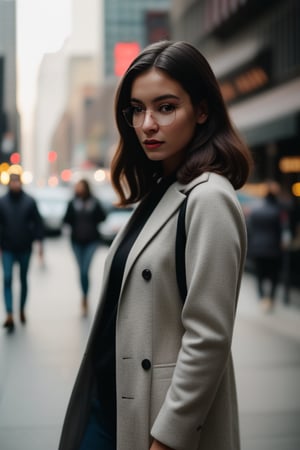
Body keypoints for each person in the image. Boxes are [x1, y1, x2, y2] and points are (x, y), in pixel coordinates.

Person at [59, 40, 253, 450]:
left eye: (166, 107)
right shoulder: (163, 190)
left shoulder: (208, 198)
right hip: (112, 403)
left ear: (202, 110)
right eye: (137, 109)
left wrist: (168, 438)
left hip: (156, 417)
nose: (147, 123)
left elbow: (208, 336)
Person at [0, 173, 44, 331]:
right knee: (7, 278)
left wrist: (40, 245)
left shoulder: (29, 201)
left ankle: (22, 309)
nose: (15, 185)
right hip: (7, 248)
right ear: (9, 184)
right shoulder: (2, 202)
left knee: (23, 279)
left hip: (25, 247)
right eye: (12, 182)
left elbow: (38, 223)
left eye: (17, 182)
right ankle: (10, 313)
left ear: (21, 183)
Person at [63, 178, 106, 316]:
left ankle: (85, 297)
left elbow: (103, 217)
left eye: (81, 187)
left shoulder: (94, 202)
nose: (78, 189)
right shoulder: (72, 203)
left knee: (85, 269)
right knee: (81, 270)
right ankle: (84, 295)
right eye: (77, 187)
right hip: (76, 241)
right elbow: (66, 219)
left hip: (92, 241)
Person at [247, 182, 284, 311]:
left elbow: (250, 229)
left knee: (259, 275)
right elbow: (280, 231)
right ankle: (270, 298)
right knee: (274, 275)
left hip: (257, 247)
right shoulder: (278, 210)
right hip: (273, 248)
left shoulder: (256, 209)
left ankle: (262, 298)